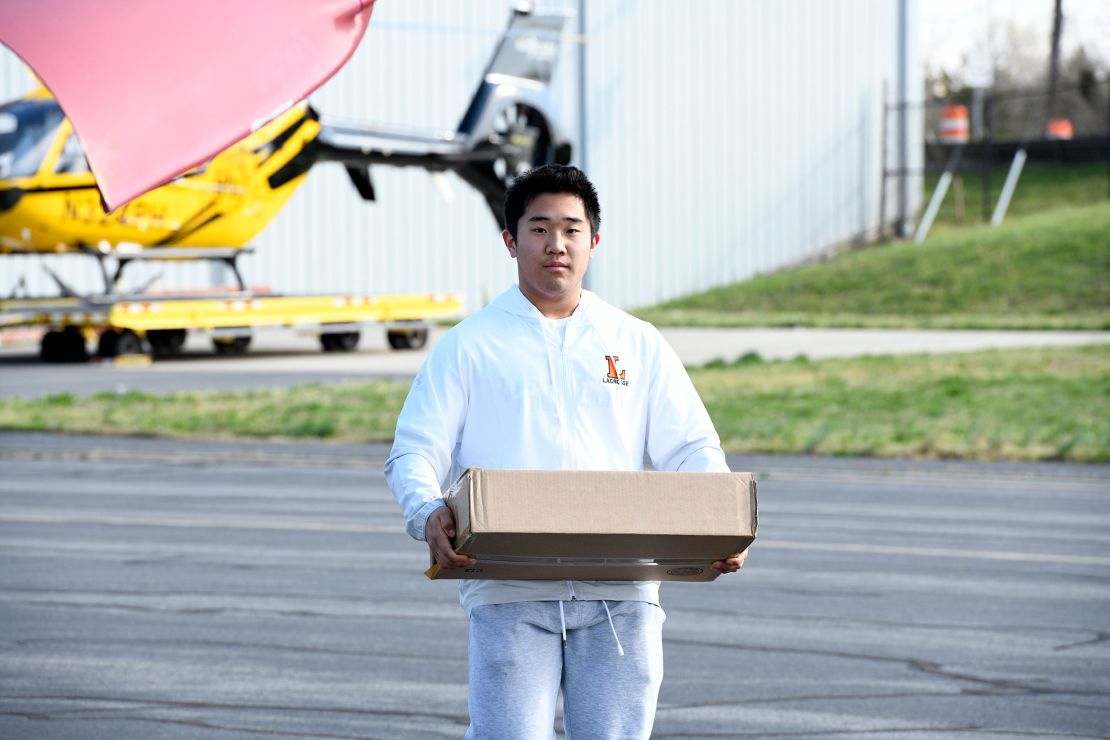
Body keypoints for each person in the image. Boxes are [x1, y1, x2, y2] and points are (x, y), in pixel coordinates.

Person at [385, 164, 748, 739]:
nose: (557, 244)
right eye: (539, 228)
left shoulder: (635, 341)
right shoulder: (470, 344)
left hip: (622, 593)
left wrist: (720, 526)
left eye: (572, 229)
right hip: (508, 590)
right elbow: (413, 451)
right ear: (510, 240)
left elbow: (692, 447)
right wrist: (425, 510)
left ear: (594, 242)